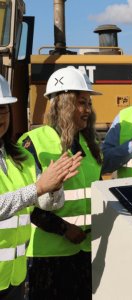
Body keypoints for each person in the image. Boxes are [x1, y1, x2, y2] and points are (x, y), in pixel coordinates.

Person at [19, 67, 102, 300]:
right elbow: (26, 201)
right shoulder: (33, 143)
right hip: (49, 255)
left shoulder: (89, 143)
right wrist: (64, 229)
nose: (87, 110)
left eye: (88, 103)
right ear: (62, 104)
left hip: (87, 251)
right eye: (80, 103)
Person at [0, 74, 81, 300]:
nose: (0, 117)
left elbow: (45, 205)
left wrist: (55, 186)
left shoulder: (20, 156)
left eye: (3, 109)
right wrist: (38, 187)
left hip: (13, 277)